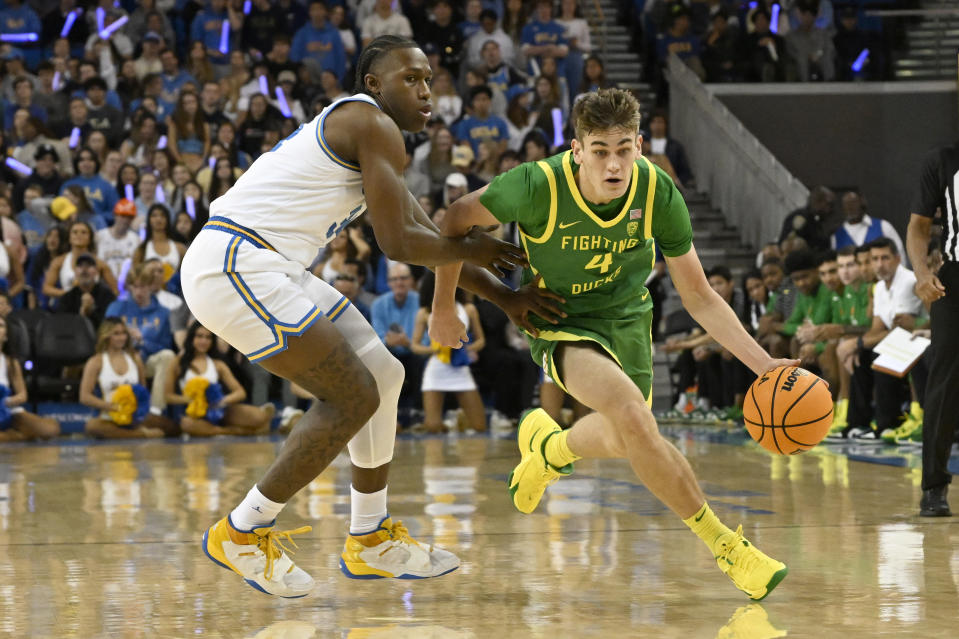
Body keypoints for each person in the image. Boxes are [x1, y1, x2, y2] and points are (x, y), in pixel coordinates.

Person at [179, 36, 540, 597]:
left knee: (386, 377)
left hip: (272, 267)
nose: (426, 92)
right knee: (352, 396)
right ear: (374, 85)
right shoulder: (370, 124)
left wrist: (507, 298)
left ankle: (369, 539)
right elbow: (399, 245)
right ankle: (242, 531)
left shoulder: (376, 138)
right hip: (234, 262)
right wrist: (477, 252)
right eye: (410, 80)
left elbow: (429, 237)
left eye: (428, 80)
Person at [430, 88, 796, 600]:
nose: (614, 163)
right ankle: (727, 547)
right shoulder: (536, 186)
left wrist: (763, 365)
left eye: (624, 148)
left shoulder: (657, 192)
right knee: (631, 414)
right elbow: (451, 220)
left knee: (631, 436)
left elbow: (699, 295)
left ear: (640, 146)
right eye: (600, 150)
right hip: (559, 318)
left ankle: (550, 448)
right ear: (576, 151)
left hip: (627, 317)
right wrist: (443, 306)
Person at [907, 141, 959, 517]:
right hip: (956, 277)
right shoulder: (943, 160)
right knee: (944, 378)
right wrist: (923, 273)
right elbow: (918, 226)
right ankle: (934, 487)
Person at [166, 322, 274, 437]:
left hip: (219, 410)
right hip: (194, 413)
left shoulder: (217, 364)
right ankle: (232, 431)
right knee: (187, 424)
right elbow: (168, 396)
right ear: (191, 337)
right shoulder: (178, 362)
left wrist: (220, 401)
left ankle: (216, 430)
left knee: (259, 416)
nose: (204, 341)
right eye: (199, 336)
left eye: (208, 337)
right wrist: (192, 399)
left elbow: (240, 393)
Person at [410, 276, 487, 434]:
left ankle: (459, 419)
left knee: (480, 426)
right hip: (437, 367)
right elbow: (415, 345)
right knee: (433, 427)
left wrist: (468, 349)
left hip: (460, 368)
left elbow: (481, 340)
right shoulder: (424, 312)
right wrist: (436, 349)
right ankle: (452, 423)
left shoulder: (468, 309)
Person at [80, 317, 175, 439]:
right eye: (116, 334)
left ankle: (128, 432)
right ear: (106, 335)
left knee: (171, 426)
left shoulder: (135, 359)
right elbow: (84, 397)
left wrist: (138, 411)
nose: (121, 338)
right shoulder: (96, 362)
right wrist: (112, 407)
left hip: (135, 415)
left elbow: (143, 390)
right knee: (92, 426)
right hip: (110, 415)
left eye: (124, 333)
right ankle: (141, 434)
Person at [0, 315, 60, 442]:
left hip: (7, 411)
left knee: (51, 430)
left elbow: (22, 395)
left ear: (6, 336)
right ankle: (18, 436)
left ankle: (12, 435)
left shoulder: (10, 362)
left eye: (0, 326)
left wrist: (4, 401)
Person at [54, 252, 117, 328]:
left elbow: (111, 326)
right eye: (80, 266)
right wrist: (81, 314)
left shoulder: (107, 296)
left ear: (96, 271)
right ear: (75, 272)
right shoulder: (67, 298)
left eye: (89, 266)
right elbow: (62, 326)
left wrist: (92, 311)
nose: (84, 270)